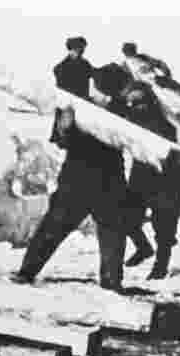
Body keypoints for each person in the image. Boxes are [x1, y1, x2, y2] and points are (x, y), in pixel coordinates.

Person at [17, 67, 129, 290]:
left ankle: (111, 281)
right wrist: (64, 127)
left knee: (110, 231)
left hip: (92, 180)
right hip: (87, 180)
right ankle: (27, 271)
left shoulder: (120, 112)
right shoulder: (80, 108)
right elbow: (60, 140)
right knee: (57, 227)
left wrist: (66, 130)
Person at [119, 81, 180, 279]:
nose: (138, 106)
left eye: (141, 101)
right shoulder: (131, 119)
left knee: (163, 226)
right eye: (134, 102)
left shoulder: (164, 123)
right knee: (127, 217)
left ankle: (161, 265)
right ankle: (143, 248)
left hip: (164, 179)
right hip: (141, 175)